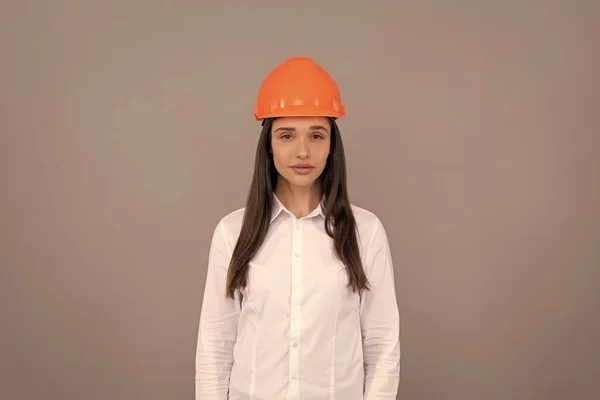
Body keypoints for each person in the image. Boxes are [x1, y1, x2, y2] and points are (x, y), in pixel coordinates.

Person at [195, 57, 400, 400]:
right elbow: (215, 348)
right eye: (287, 135)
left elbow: (382, 348)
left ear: (332, 145)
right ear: (269, 145)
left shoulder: (366, 232)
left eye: (316, 135)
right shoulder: (232, 233)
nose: (302, 151)